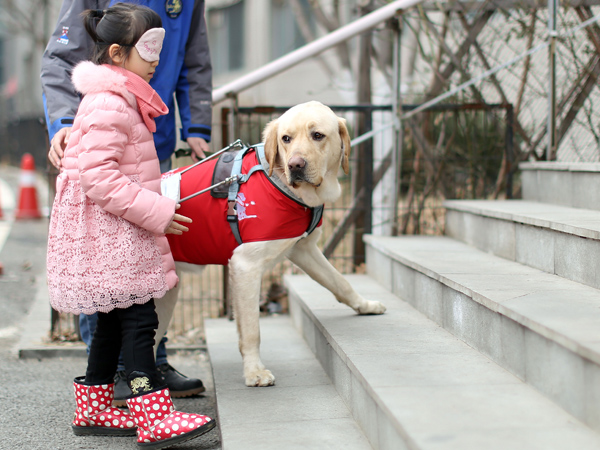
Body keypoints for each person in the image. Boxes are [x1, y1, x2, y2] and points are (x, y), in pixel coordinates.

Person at [46, 5, 215, 447]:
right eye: (149, 49)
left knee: (109, 321)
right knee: (139, 321)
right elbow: (99, 177)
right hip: (115, 233)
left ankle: (94, 406)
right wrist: (156, 211)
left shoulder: (117, 97)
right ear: (119, 53)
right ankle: (152, 414)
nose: (158, 58)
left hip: (113, 229)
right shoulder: (110, 102)